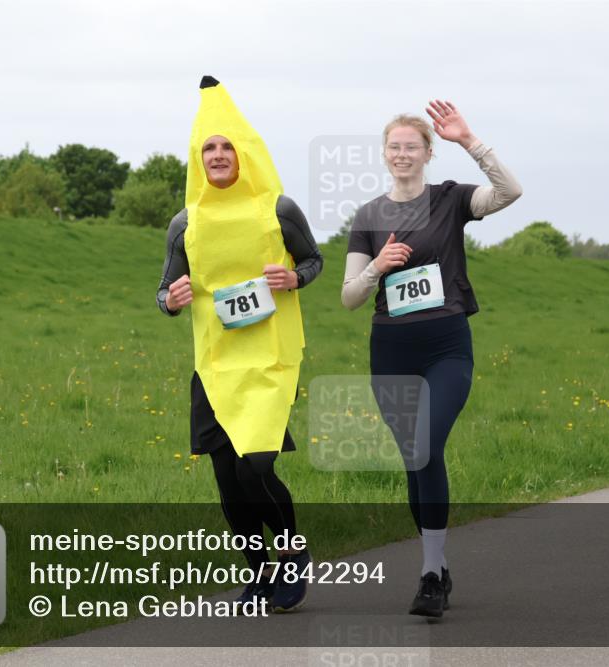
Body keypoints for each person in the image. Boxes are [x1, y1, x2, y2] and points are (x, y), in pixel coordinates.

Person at [341, 100, 522, 616]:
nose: (402, 154)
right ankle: (438, 567)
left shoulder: (450, 199)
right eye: (394, 147)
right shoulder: (369, 216)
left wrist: (470, 141)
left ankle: (428, 574)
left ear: (427, 153)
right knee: (414, 458)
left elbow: (510, 191)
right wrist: (377, 266)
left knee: (425, 445)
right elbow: (350, 297)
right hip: (391, 350)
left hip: (446, 347)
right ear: (384, 154)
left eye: (412, 146)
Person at [157, 75, 323, 610]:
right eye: (209, 148)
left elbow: (314, 260)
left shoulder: (278, 210)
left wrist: (294, 278)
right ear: (198, 159)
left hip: (268, 360)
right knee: (228, 483)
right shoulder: (185, 223)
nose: (218, 155)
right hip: (214, 366)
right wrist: (171, 300)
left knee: (256, 467)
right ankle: (258, 571)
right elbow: (164, 290)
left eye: (227, 146)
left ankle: (292, 554)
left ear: (244, 154)